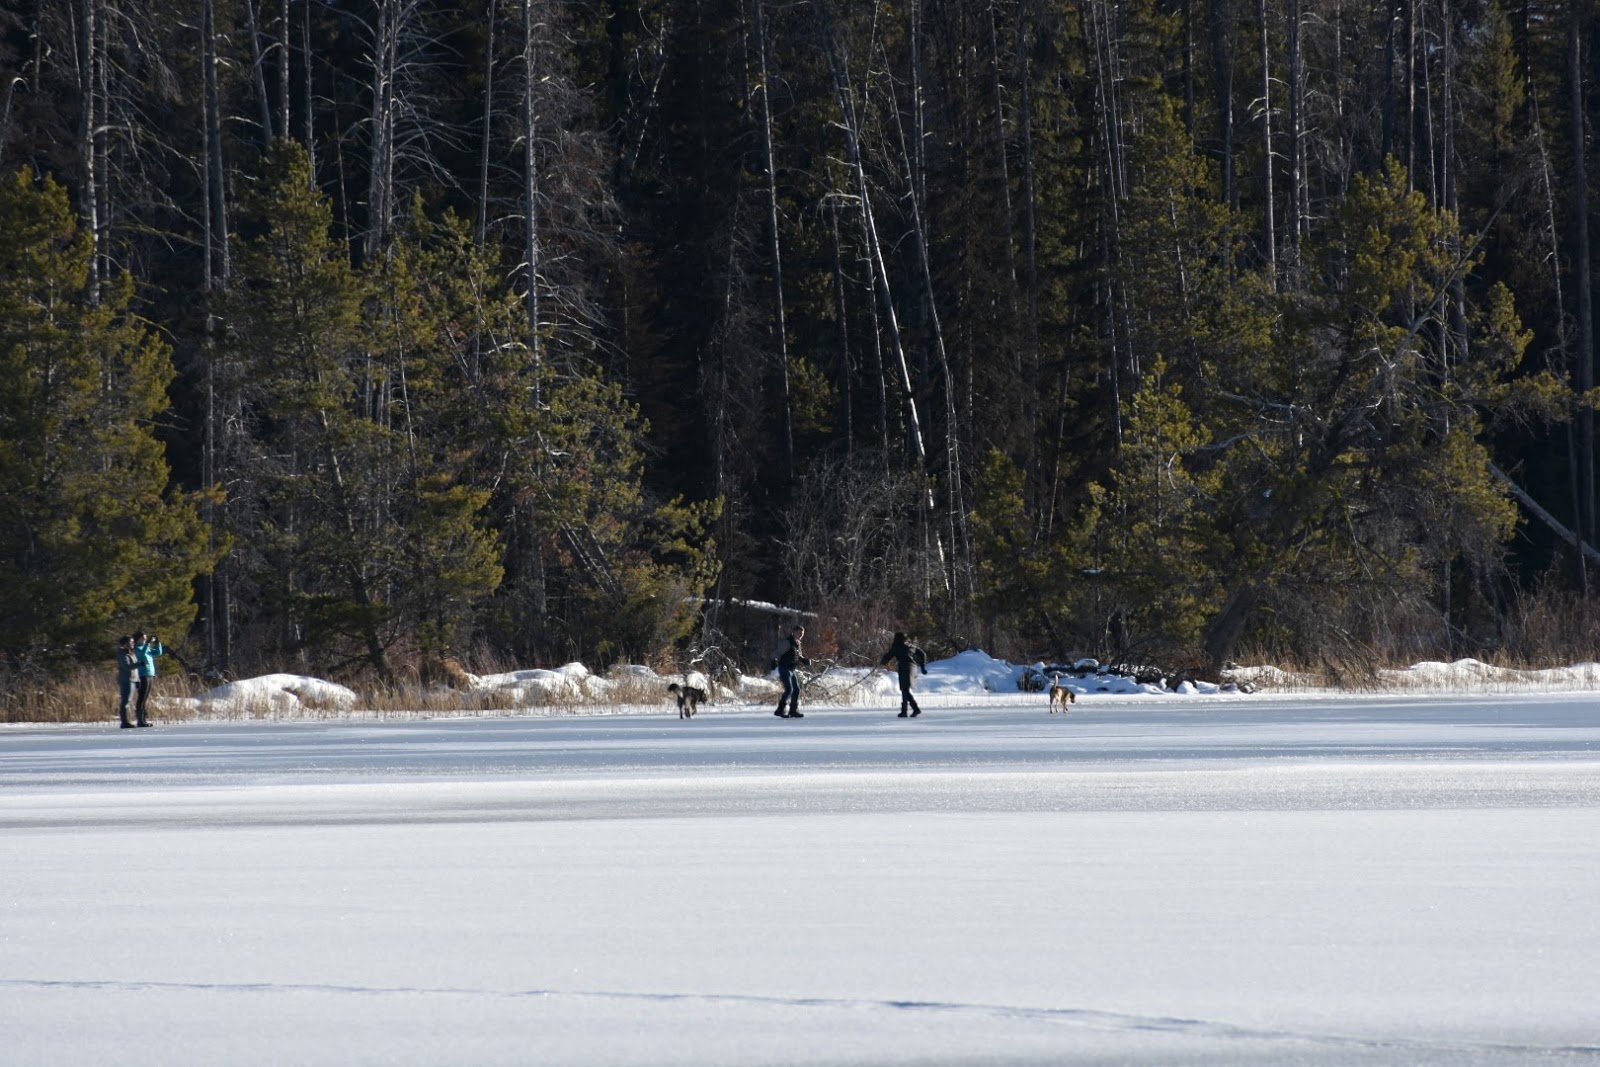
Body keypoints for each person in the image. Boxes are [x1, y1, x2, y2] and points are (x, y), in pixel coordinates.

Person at [880, 632, 928, 717]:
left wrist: (883, 662)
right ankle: (908, 710)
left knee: (904, 689)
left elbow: (888, 656)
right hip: (913, 668)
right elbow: (922, 653)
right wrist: (923, 666)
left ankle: (910, 710)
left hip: (904, 667)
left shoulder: (897, 647)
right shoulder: (911, 646)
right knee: (905, 690)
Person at [772, 625, 810, 718]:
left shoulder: (797, 643)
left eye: (802, 633)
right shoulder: (787, 642)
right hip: (784, 668)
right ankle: (780, 710)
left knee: (796, 690)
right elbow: (776, 653)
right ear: (794, 632)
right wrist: (773, 664)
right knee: (789, 689)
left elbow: (797, 655)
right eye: (799, 633)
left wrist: (804, 660)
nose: (801, 635)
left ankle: (793, 710)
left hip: (791, 670)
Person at [133, 632, 165, 728]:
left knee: (145, 698)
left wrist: (157, 643)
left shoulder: (146, 647)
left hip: (150, 674)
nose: (144, 639)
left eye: (145, 638)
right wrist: (147, 643)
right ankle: (140, 720)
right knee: (142, 698)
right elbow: (141, 654)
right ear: (138, 639)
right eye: (142, 638)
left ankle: (143, 719)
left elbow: (158, 653)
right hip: (143, 675)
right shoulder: (137, 648)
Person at [115, 636, 138, 729]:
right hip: (126, 680)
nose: (133, 643)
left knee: (129, 701)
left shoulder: (130, 653)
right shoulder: (123, 654)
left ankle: (127, 721)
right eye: (131, 642)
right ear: (126, 643)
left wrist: (137, 680)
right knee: (126, 701)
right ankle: (125, 722)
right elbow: (126, 666)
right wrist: (139, 664)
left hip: (132, 679)